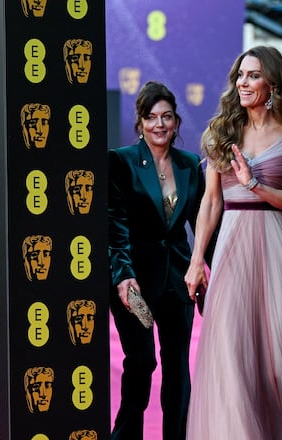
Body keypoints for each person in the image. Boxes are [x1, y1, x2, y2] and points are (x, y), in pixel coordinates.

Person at [184, 45, 282, 439]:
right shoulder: (221, 132)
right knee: (231, 356)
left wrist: (256, 185)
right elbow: (211, 201)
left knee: (277, 359)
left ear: (272, 83)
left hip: (274, 244)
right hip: (230, 249)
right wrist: (196, 259)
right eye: (240, 75)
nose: (243, 82)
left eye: (253, 75)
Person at [108, 80, 205, 440]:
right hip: (134, 283)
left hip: (177, 281)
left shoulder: (190, 164)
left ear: (177, 122)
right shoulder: (121, 161)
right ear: (140, 123)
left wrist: (210, 266)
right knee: (143, 361)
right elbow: (115, 224)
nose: (159, 124)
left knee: (178, 366)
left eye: (166, 117)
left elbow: (201, 224)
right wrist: (122, 275)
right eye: (151, 117)